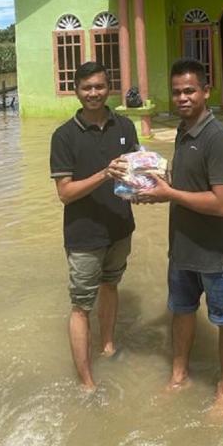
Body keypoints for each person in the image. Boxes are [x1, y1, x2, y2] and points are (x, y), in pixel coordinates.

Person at [139, 59, 223, 414]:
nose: (182, 98)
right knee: (181, 312)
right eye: (177, 92)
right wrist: (147, 182)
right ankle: (179, 374)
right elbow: (181, 184)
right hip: (182, 248)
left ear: (205, 91)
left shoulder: (219, 140)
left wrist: (169, 194)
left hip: (216, 254)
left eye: (189, 91)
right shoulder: (184, 132)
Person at [49, 61, 139, 390]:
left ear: (108, 88)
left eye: (99, 87)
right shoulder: (63, 136)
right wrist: (104, 173)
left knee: (111, 285)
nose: (94, 93)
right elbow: (65, 194)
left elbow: (133, 175)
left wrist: (148, 187)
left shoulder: (125, 127)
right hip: (84, 236)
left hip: (120, 229)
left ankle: (109, 345)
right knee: (81, 306)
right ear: (76, 91)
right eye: (86, 88)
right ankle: (87, 382)